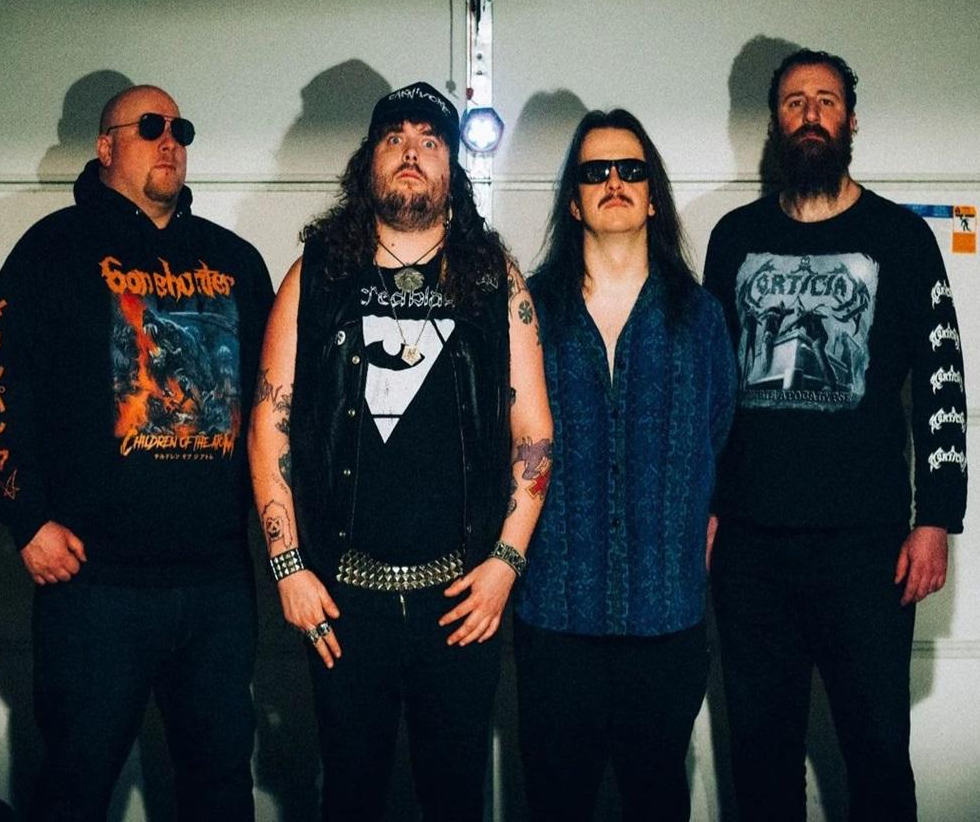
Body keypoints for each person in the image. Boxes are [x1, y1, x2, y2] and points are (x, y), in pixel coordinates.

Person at [248, 81, 553, 821]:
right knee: (350, 798)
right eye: (395, 138)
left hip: (462, 596)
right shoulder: (317, 274)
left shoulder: (494, 278)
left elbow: (535, 434)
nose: (411, 152)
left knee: (455, 799)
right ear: (369, 161)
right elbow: (268, 423)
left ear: (452, 166)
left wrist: (505, 565)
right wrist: (288, 566)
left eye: (429, 140)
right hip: (344, 597)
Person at [0, 85, 274, 821]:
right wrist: (26, 520)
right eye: (149, 126)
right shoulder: (52, 249)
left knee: (221, 789)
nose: (170, 139)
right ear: (105, 146)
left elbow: (277, 408)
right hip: (94, 588)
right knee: (74, 786)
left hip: (214, 584)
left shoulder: (234, 261)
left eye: (180, 129)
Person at [703, 50, 967, 821]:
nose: (810, 114)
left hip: (868, 548)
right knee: (762, 759)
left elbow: (943, 381)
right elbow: (709, 386)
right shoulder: (734, 237)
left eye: (825, 100)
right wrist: (705, 503)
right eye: (794, 102)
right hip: (750, 547)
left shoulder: (901, 238)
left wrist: (936, 518)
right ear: (775, 123)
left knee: (878, 753)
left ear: (851, 120)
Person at [514, 109, 736, 821]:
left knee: (658, 801)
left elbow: (721, 436)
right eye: (595, 171)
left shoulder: (700, 318)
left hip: (665, 620)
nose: (614, 180)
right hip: (554, 618)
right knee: (556, 805)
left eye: (631, 169)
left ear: (653, 196)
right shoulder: (528, 314)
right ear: (574, 202)